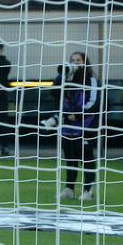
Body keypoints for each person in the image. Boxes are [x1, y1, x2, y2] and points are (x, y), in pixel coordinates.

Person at [48, 52, 101, 202]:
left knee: (87, 159)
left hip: (86, 126)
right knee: (70, 159)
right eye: (72, 60)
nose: (75, 63)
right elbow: (54, 93)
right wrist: (62, 75)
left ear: (85, 63)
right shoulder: (66, 80)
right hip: (67, 127)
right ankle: (69, 189)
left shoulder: (92, 81)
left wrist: (76, 114)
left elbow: (94, 103)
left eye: (78, 60)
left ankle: (88, 191)